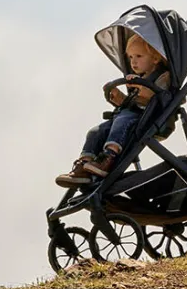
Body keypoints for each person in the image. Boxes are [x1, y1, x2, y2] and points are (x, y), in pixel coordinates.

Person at [55, 33, 171, 187]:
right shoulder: (140, 78)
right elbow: (132, 104)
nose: (133, 62)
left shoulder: (163, 77)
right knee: (95, 132)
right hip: (129, 115)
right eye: (130, 57)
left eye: (138, 56)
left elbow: (153, 98)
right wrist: (118, 97)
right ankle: (84, 164)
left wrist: (139, 85)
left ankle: (108, 157)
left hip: (150, 119)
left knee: (121, 121)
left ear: (155, 58)